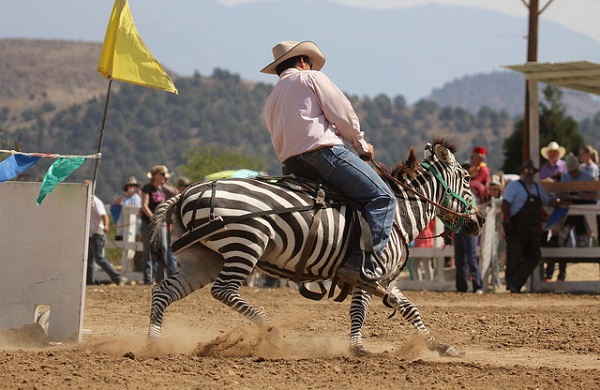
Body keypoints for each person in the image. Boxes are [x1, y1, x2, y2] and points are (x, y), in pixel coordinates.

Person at [261, 40, 396, 295]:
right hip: (323, 154)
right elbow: (342, 114)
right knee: (383, 198)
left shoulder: (271, 99)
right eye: (309, 62)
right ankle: (362, 265)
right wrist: (361, 145)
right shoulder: (311, 77)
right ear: (303, 61)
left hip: (291, 165)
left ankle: (325, 263)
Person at [501, 160, 561, 293]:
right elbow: (505, 204)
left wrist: (559, 202)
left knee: (534, 256)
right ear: (522, 171)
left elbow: (546, 201)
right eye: (526, 170)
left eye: (531, 171)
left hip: (532, 228)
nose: (529, 173)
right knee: (515, 255)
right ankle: (512, 283)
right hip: (516, 226)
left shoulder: (537, 188)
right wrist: (508, 222)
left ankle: (514, 282)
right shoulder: (514, 186)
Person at [545, 153, 596, 282]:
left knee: (563, 239)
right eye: (571, 172)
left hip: (579, 210)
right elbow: (560, 193)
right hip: (566, 210)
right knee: (558, 242)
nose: (573, 174)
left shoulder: (587, 177)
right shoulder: (565, 178)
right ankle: (553, 274)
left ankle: (560, 274)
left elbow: (594, 195)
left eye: (575, 171)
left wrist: (584, 196)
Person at [140, 165, 177, 285]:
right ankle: (148, 280)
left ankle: (161, 279)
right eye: (163, 175)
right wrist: (154, 218)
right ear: (157, 176)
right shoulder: (147, 188)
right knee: (148, 251)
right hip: (149, 223)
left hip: (161, 223)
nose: (165, 178)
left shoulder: (162, 189)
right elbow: (144, 205)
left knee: (163, 249)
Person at [86, 188, 127, 286]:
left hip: (97, 234)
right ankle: (88, 282)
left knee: (98, 258)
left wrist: (106, 225)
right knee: (89, 260)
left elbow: (104, 215)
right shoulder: (87, 200)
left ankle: (118, 277)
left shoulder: (95, 201)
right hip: (91, 234)